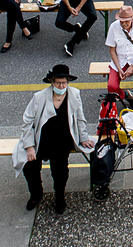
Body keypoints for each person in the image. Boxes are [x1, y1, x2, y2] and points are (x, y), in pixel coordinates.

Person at [13, 64, 93, 214]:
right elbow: (27, 121)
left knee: (60, 171)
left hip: (62, 141)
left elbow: (80, 118)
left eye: (64, 82)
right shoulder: (39, 97)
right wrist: (29, 146)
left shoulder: (75, 94)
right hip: (41, 140)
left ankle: (59, 197)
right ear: (52, 82)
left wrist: (83, 138)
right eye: (57, 82)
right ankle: (36, 194)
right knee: (29, 166)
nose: (61, 85)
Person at [105, 5, 133, 106]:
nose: (124, 24)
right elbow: (112, 50)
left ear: (132, 19)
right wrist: (118, 68)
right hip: (120, 59)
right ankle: (125, 94)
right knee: (112, 86)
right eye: (122, 21)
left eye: (127, 22)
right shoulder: (113, 27)